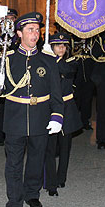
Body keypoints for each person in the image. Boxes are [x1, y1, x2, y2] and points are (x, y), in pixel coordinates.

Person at [0, 11, 63, 207]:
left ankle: (32, 194)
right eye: (30, 30)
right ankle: (14, 203)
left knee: (36, 159)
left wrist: (57, 116)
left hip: (40, 116)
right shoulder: (7, 58)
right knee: (13, 163)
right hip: (15, 117)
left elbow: (56, 93)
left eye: (37, 30)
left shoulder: (48, 60)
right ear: (19, 33)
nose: (35, 34)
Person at [44, 32, 82, 196]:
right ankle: (51, 183)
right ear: (51, 46)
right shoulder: (45, 62)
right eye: (57, 45)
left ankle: (61, 178)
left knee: (65, 146)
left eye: (63, 45)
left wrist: (53, 58)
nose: (61, 48)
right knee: (49, 148)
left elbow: (68, 71)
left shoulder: (71, 61)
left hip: (67, 107)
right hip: (50, 107)